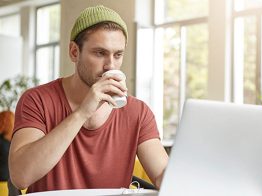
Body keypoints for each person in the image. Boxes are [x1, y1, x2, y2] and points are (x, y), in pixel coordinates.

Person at [9, 5, 168, 193]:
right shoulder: (36, 100)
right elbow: (21, 176)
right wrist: (82, 113)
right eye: (100, 53)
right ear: (74, 52)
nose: (110, 65)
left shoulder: (138, 112)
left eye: (118, 55)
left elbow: (162, 176)